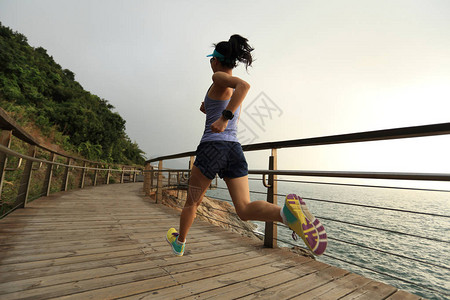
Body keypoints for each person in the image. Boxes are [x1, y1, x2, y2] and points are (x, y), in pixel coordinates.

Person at [166, 34, 327, 257]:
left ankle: (180, 242)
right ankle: (285, 214)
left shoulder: (218, 77)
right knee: (243, 209)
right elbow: (232, 95)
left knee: (192, 202)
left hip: (212, 148)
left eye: (211, 60)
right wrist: (212, 110)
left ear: (215, 60)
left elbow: (245, 85)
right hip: (233, 149)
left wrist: (223, 117)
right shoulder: (224, 86)